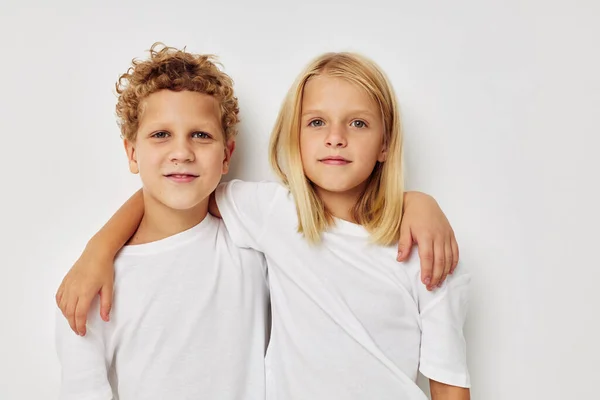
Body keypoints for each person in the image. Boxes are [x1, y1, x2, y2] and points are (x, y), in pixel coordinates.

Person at [56, 49, 467, 399]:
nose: (336, 137)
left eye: (357, 123)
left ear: (385, 143)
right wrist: (99, 249)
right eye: (317, 122)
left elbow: (448, 376)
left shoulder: (424, 250)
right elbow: (174, 190)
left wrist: (417, 200)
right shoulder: (273, 215)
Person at [55, 43, 270, 400]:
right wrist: (100, 250)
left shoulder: (254, 248)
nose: (182, 152)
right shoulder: (91, 285)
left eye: (200, 135)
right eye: (160, 135)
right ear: (132, 152)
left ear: (227, 155)